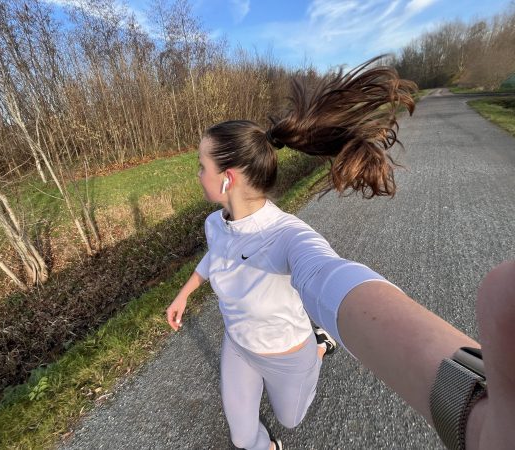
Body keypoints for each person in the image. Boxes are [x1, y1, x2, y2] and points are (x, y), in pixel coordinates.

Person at [166, 57, 514, 450]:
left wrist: (465, 395)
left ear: (227, 178)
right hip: (238, 346)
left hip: (287, 354)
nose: (197, 174)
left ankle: (319, 345)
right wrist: (185, 293)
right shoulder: (214, 223)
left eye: (201, 166)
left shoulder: (287, 235)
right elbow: (216, 258)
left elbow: (328, 274)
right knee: (243, 438)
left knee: (291, 419)